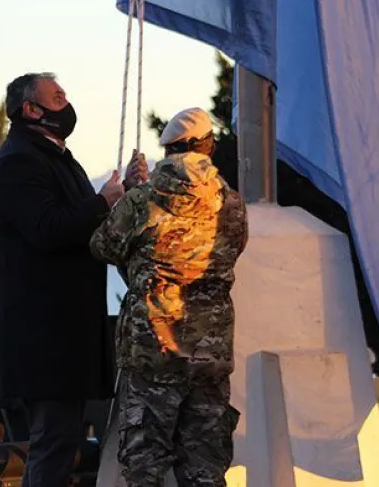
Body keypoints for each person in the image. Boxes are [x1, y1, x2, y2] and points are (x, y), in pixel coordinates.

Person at [0, 71, 147, 486]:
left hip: (62, 334)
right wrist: (101, 202)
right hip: (44, 334)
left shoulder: (51, 156)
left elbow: (77, 222)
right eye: (56, 97)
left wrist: (122, 193)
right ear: (30, 109)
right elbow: (47, 227)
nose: (66, 103)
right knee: (54, 444)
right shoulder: (19, 162)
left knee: (62, 442)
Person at [90, 107, 249, 486]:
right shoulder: (231, 203)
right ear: (208, 146)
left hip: (152, 351)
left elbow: (102, 245)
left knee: (145, 462)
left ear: (169, 148)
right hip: (209, 354)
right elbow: (234, 249)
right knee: (205, 465)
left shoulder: (144, 199)